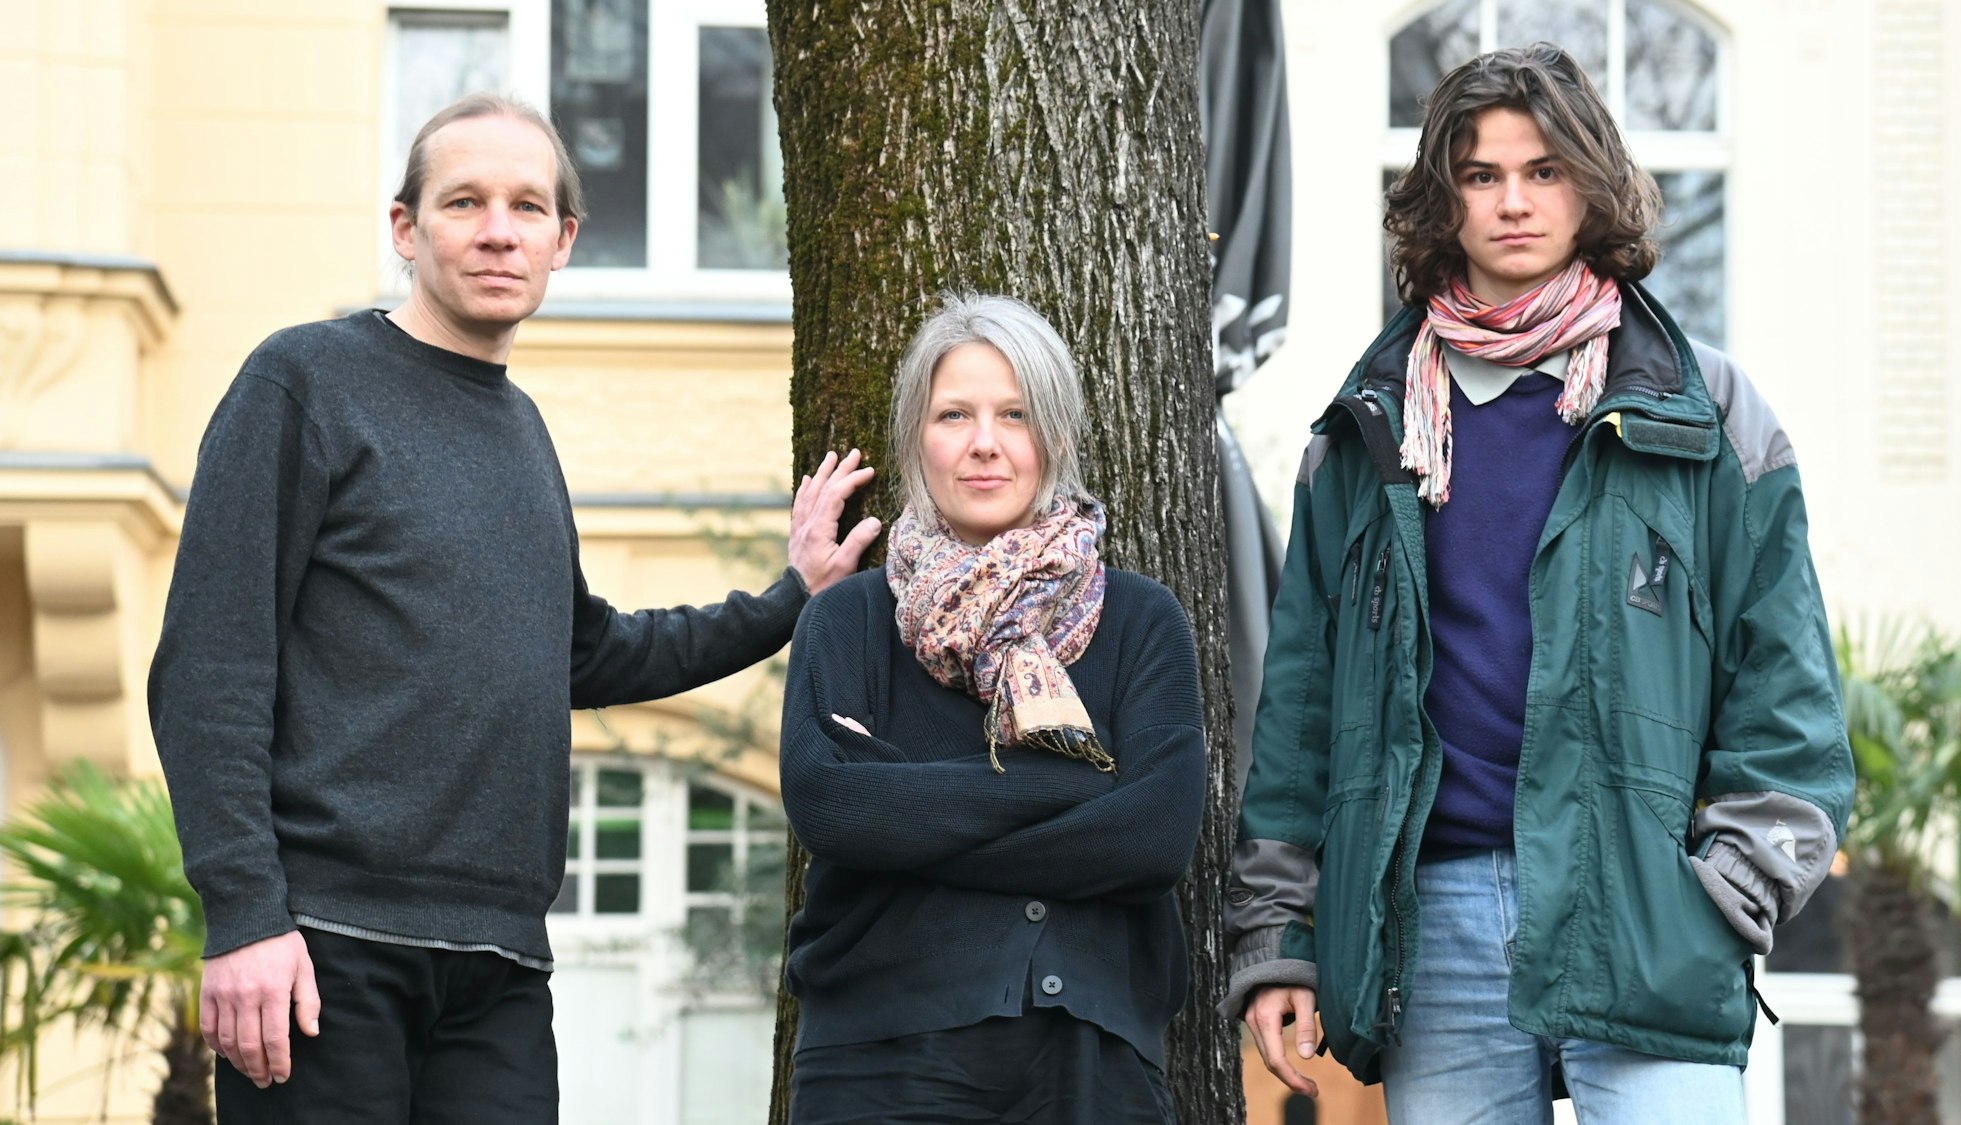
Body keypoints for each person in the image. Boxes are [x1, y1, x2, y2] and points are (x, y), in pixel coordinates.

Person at [147, 93, 879, 1122]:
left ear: (564, 238)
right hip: (320, 952)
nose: (499, 230)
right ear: (405, 227)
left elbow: (585, 654)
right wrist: (243, 918)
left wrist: (789, 599)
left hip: (498, 968)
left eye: (528, 207)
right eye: (464, 202)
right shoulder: (304, 381)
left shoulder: (521, 434)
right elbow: (210, 667)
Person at [1223, 44, 1854, 1123]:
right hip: (1435, 925)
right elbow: (1299, 714)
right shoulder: (1364, 428)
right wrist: (1280, 937)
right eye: (1479, 175)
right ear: (1442, 200)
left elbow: (1784, 688)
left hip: (1648, 911)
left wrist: (1724, 891)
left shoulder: (1707, 411)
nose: (1512, 201)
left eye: (1542, 170)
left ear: (1589, 183)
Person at [778, 293, 1206, 1124]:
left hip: (1091, 1054)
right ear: (917, 439)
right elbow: (833, 807)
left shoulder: (1140, 619)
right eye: (955, 414)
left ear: (1057, 437)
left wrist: (908, 809)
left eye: (1015, 414)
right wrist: (1076, 785)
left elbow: (1154, 837)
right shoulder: (849, 619)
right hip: (877, 1060)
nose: (984, 442)